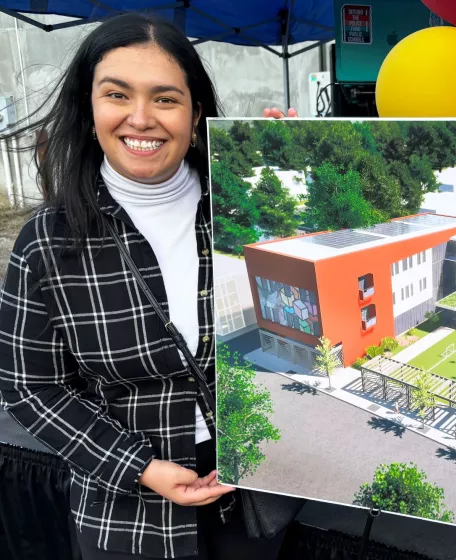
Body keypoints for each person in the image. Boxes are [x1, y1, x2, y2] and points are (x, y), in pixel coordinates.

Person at [0, 13, 297, 560]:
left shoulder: (245, 205)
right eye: (117, 94)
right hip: (126, 513)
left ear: (196, 112)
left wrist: (296, 176)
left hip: (252, 495)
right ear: (90, 111)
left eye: (165, 99)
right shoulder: (49, 240)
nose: (141, 118)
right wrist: (136, 466)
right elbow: (28, 389)